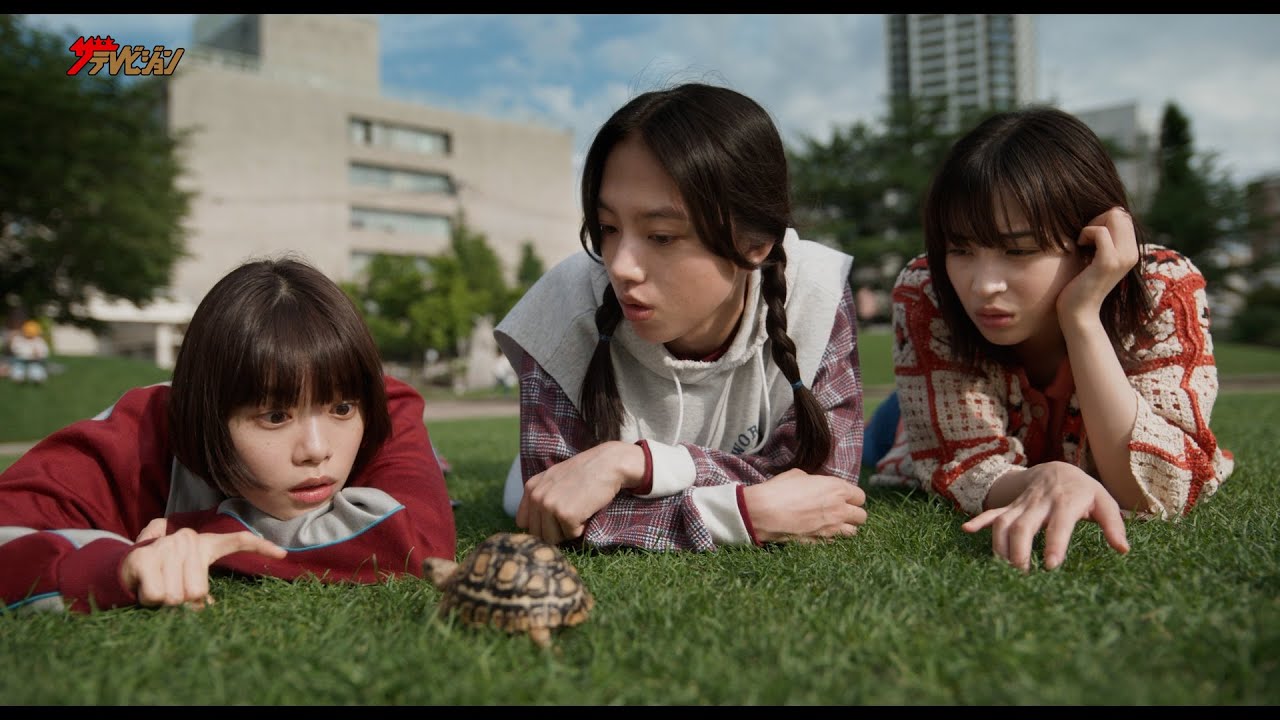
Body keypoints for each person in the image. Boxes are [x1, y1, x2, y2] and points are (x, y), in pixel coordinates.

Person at [494, 82, 867, 551]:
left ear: (755, 243)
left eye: (662, 236)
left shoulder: (815, 289)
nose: (620, 267)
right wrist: (741, 515)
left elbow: (829, 488)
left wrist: (639, 464)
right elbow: (556, 508)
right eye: (608, 227)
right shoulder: (561, 305)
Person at [864, 106, 1235, 571]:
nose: (983, 286)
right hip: (916, 412)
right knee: (866, 449)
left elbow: (1160, 490)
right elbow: (958, 459)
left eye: (1019, 250)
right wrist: (1046, 478)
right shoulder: (928, 289)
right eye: (959, 249)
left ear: (1091, 244)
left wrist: (1081, 316)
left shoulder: (1161, 288)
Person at [0, 256, 456, 612]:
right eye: (274, 417)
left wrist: (193, 531)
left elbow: (416, 544)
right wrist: (116, 567)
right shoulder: (130, 440)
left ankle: (435, 461)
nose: (317, 451)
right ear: (206, 413)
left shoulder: (382, 402)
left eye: (340, 410)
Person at [9, 319, 50, 385]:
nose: (30, 336)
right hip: (20, 360)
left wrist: (39, 354)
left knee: (36, 368)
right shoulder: (19, 339)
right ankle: (18, 379)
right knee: (18, 368)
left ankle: (37, 379)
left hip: (34, 361)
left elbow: (44, 351)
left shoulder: (39, 341)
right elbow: (15, 349)